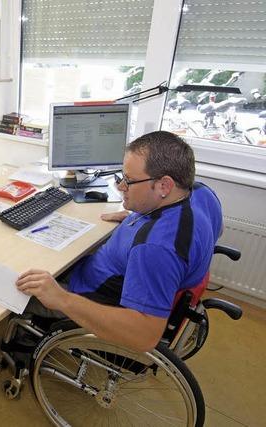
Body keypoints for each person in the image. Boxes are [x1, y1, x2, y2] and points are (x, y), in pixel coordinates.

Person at [16, 131, 222, 352]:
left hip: (89, 292)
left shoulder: (154, 249)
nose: (120, 187)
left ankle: (23, 339)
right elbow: (206, 230)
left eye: (129, 181)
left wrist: (62, 299)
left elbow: (144, 336)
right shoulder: (200, 193)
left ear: (164, 186)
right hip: (107, 270)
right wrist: (142, 217)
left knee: (18, 282)